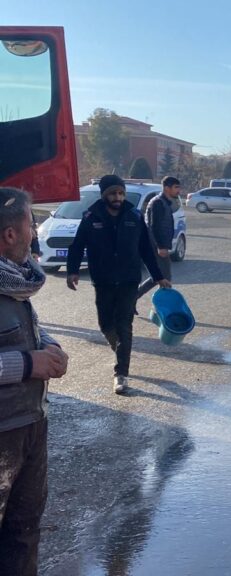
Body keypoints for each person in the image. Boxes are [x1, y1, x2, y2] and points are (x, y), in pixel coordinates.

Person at [0, 187, 68, 576]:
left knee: (24, 531)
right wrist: (29, 364)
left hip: (29, 426)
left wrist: (50, 348)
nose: (35, 230)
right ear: (11, 234)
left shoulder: (15, 280)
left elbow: (26, 330)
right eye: (31, 222)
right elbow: (23, 354)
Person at [66, 175, 170, 395]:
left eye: (121, 193)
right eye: (113, 193)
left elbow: (146, 250)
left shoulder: (134, 215)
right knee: (105, 324)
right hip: (102, 280)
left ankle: (121, 373)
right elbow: (77, 246)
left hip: (129, 280)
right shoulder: (91, 216)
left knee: (124, 325)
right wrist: (72, 271)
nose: (118, 197)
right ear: (105, 195)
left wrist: (159, 276)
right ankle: (120, 349)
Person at [137, 176, 181, 301]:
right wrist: (161, 246)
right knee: (163, 277)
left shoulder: (164, 203)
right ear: (167, 188)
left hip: (160, 245)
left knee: (161, 276)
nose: (179, 190)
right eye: (176, 187)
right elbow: (154, 226)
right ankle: (163, 307)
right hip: (156, 245)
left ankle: (134, 298)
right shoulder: (157, 203)